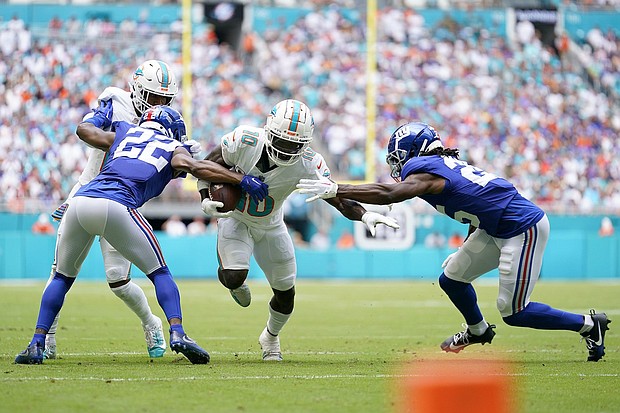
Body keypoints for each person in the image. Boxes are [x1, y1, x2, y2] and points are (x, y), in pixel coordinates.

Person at [297, 121, 611, 362]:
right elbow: (480, 207)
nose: (397, 165)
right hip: (495, 226)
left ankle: (587, 324)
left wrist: (339, 189)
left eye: (399, 157)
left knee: (513, 311)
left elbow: (391, 194)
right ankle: (477, 331)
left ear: (414, 151)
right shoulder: (443, 166)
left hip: (521, 227)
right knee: (452, 279)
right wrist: (465, 246)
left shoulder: (425, 169)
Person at [15, 103, 269, 365]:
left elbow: (86, 132)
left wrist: (98, 114)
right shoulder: (173, 147)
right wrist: (240, 180)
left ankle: (37, 342)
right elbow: (195, 169)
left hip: (80, 202)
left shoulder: (124, 133)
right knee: (159, 273)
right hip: (117, 205)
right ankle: (178, 332)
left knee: (61, 277)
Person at [197, 99, 399, 361]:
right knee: (233, 277)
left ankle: (270, 337)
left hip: (271, 225)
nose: (286, 149)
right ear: (269, 131)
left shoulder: (308, 163)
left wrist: (364, 214)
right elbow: (206, 166)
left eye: (294, 145)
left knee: (286, 294)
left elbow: (336, 197)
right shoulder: (245, 140)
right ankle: (234, 283)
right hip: (236, 219)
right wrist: (205, 195)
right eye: (281, 141)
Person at [44, 60, 198, 360]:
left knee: (118, 279)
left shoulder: (166, 120)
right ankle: (46, 339)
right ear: (138, 90)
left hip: (122, 201)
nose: (159, 104)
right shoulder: (115, 101)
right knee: (59, 269)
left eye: (165, 100)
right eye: (154, 97)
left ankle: (150, 322)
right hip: (88, 189)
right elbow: (87, 129)